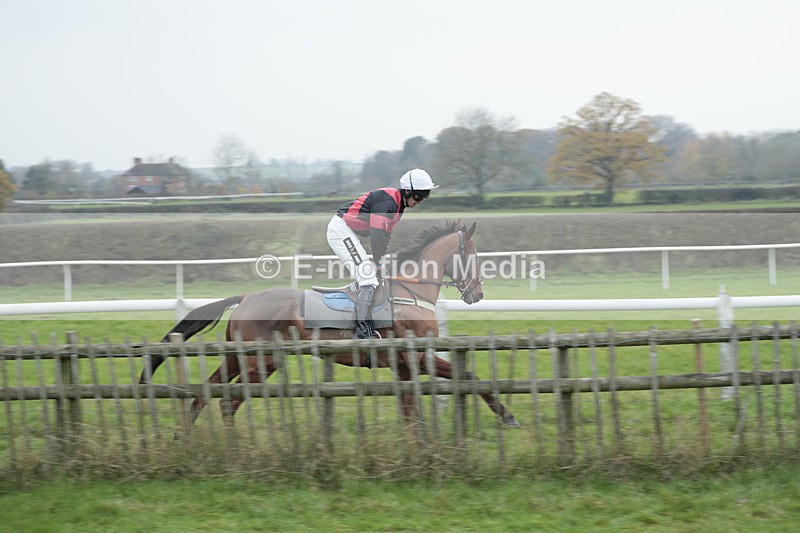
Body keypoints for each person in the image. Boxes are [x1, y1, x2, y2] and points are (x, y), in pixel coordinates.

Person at [327, 168, 438, 338]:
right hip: (340, 231)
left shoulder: (398, 207)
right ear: (407, 191)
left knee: (372, 276)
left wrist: (382, 264)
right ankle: (362, 331)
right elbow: (377, 236)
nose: (420, 201)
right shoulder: (389, 202)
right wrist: (379, 265)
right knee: (368, 278)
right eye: (418, 196)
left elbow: (385, 238)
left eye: (424, 197)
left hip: (349, 231)